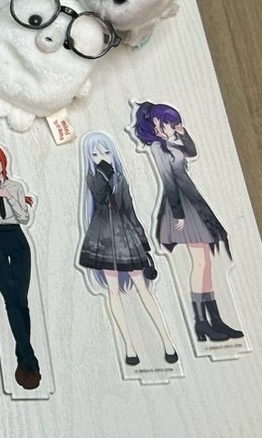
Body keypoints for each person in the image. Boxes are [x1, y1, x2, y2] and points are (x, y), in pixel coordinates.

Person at [130, 102, 243, 343]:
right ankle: (201, 322)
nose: (172, 127)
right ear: (156, 124)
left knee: (206, 263)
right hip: (181, 206)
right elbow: (168, 182)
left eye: (173, 123)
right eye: (169, 123)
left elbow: (191, 151)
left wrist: (184, 133)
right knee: (200, 262)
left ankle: (215, 320)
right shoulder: (158, 148)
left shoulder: (170, 144)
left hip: (193, 202)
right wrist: (178, 214)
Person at [77, 132, 178, 367]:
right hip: (103, 238)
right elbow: (100, 198)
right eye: (95, 154)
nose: (102, 157)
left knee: (143, 288)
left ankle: (167, 341)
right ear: (89, 158)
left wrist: (144, 245)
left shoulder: (120, 178)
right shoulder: (93, 178)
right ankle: (129, 348)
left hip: (126, 236)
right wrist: (105, 173)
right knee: (113, 292)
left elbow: (130, 210)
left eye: (106, 152)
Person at [0, 144, 41, 389]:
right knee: (10, 300)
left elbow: (24, 217)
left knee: (22, 300)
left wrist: (9, 196)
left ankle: (23, 357)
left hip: (18, 238)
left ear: (4, 163)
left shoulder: (15, 187)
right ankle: (29, 358)